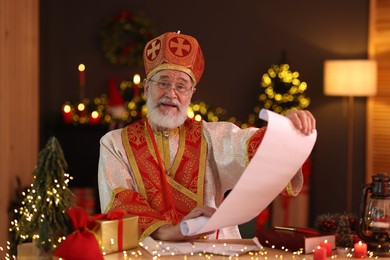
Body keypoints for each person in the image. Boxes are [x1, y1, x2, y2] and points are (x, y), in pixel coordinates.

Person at [98, 32, 316, 242]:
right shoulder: (115, 143)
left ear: (191, 94)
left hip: (214, 248)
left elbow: (252, 148)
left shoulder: (213, 137)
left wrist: (285, 131)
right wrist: (170, 231)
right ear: (146, 88)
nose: (171, 93)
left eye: (181, 86)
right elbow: (122, 203)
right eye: (163, 82)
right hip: (150, 251)